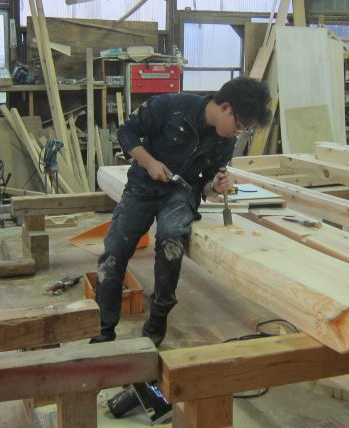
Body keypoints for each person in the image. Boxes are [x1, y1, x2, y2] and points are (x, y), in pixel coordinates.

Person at [90, 76, 272, 347]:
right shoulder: (170, 106)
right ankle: (104, 330)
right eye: (240, 126)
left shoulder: (224, 142)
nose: (238, 134)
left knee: (171, 244)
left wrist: (216, 185)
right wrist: (150, 162)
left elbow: (206, 183)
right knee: (114, 251)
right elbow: (126, 132)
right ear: (225, 107)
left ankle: (156, 324)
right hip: (142, 186)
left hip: (180, 192)